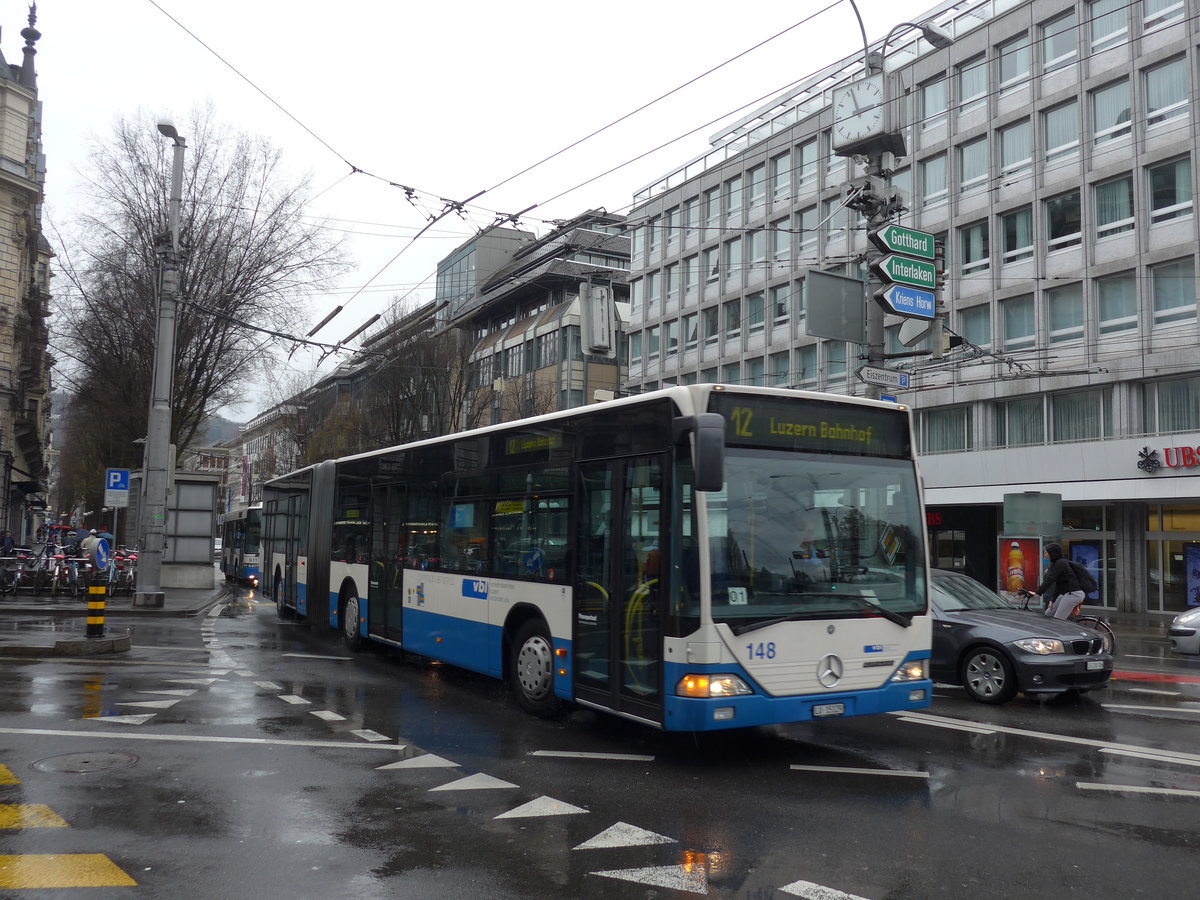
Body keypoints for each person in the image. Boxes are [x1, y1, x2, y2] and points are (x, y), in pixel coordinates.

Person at [1028, 542, 1084, 620]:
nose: (1044, 555)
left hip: (1073, 594)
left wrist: (1037, 593)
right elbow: (1059, 585)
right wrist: (1052, 600)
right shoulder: (1056, 563)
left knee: (1058, 619)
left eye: (1046, 553)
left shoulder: (1061, 563)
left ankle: (1063, 631)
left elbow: (1050, 579)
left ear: (1052, 553)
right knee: (1048, 614)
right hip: (1064, 593)